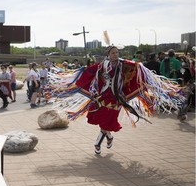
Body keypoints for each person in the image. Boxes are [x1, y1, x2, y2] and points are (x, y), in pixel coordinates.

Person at [49, 46, 184, 155]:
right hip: (102, 97)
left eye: (117, 52)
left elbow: (137, 68)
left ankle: (97, 144)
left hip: (116, 98)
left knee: (108, 120)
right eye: (113, 52)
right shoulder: (102, 65)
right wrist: (75, 79)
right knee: (103, 120)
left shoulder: (123, 64)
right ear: (108, 54)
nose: (115, 54)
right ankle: (109, 137)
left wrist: (142, 69)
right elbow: (88, 72)